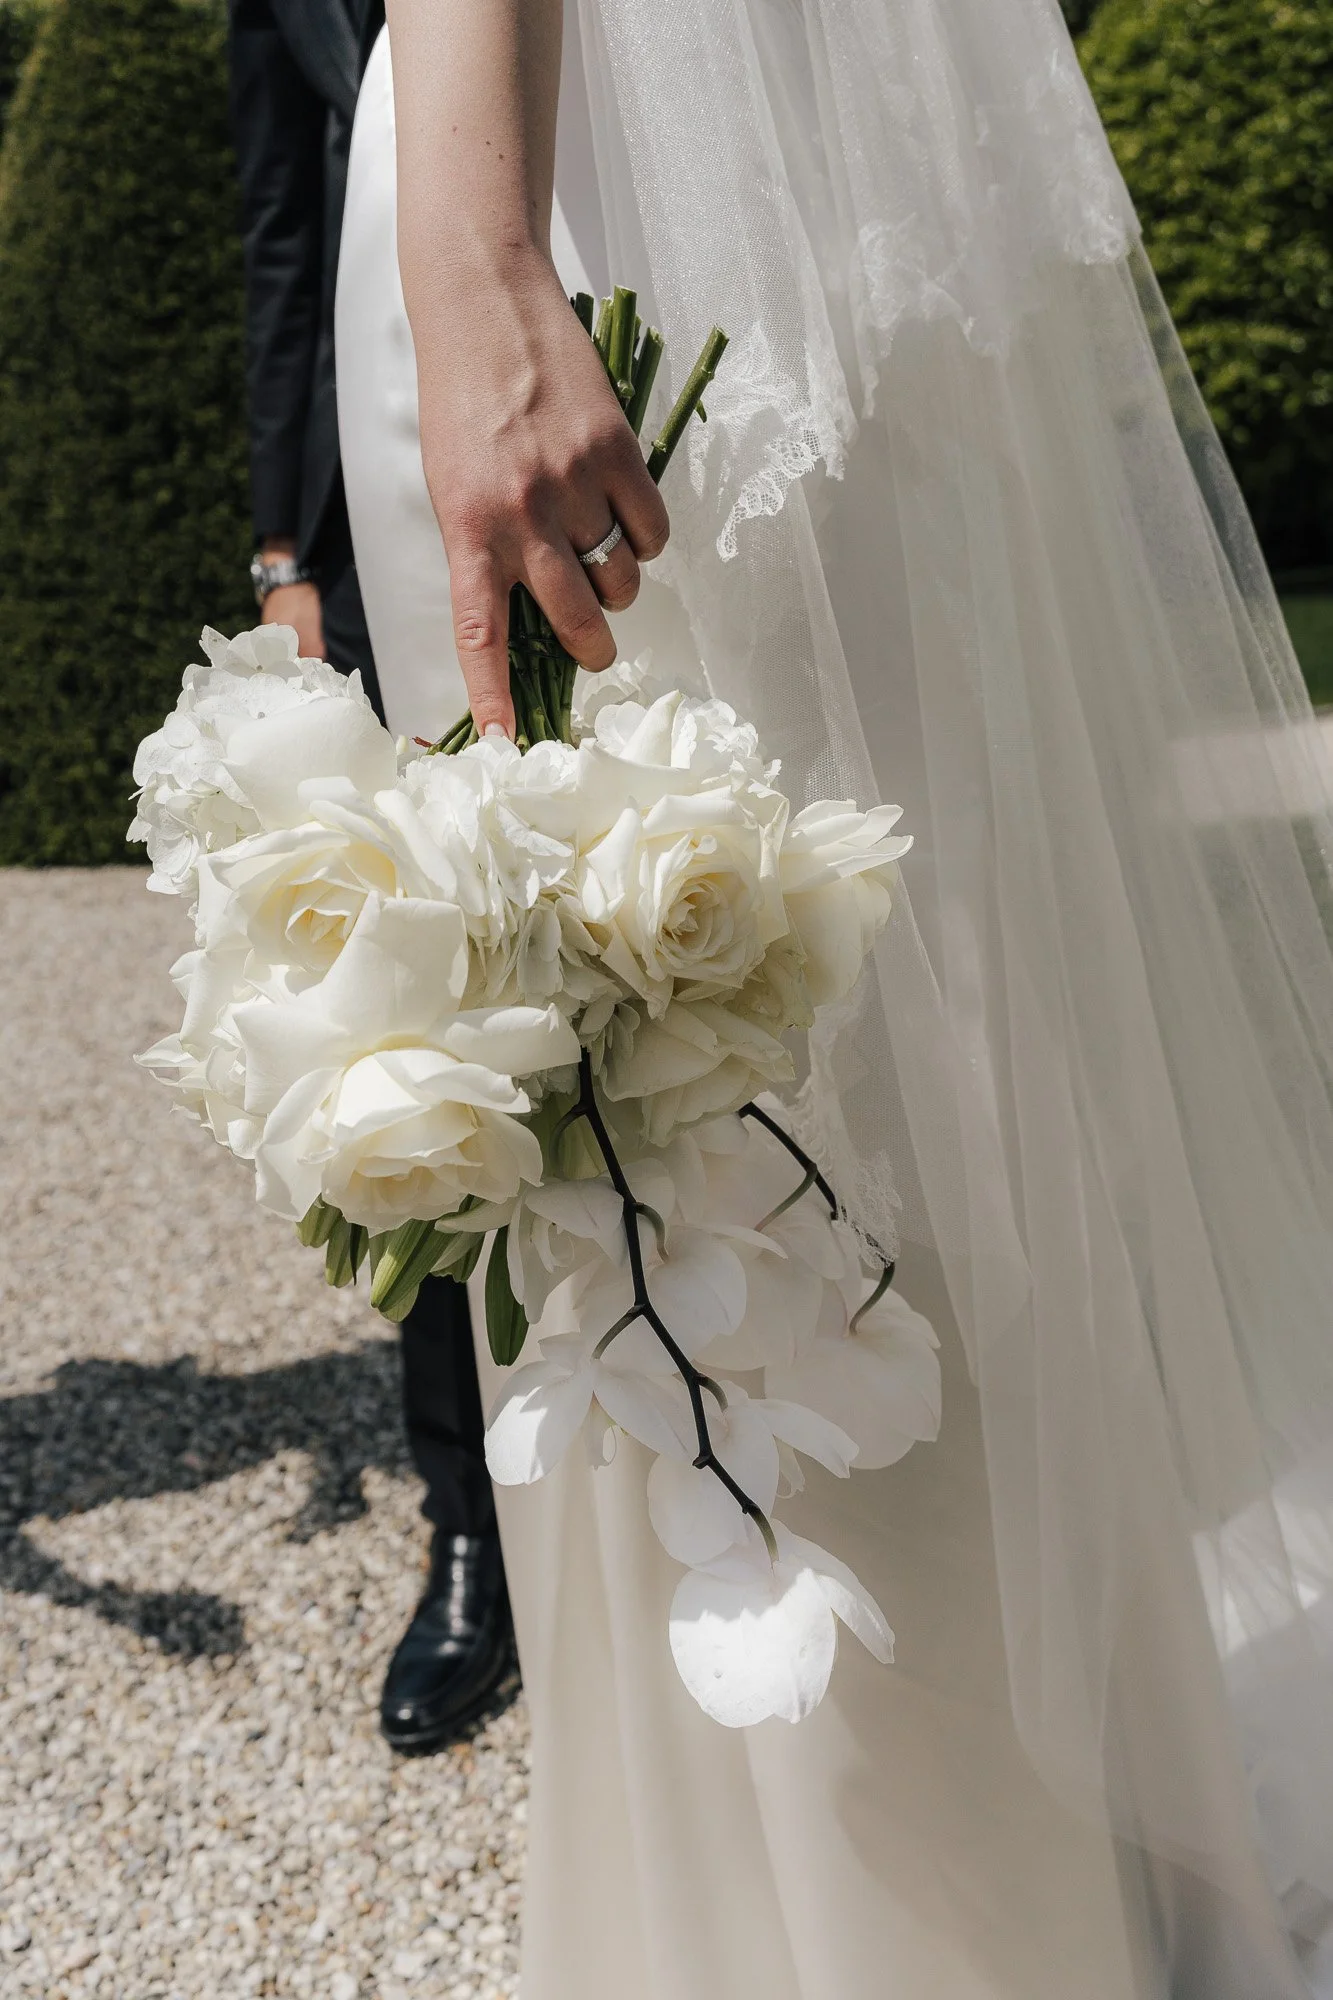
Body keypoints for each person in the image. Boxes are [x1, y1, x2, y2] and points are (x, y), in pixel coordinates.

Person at [336, 1, 1333, 1993]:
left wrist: (482, 262)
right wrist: (482, 261)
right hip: (679, 148)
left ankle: (984, 1915)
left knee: (901, 1087)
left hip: (723, 162)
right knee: (754, 1102)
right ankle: (951, 1913)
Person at [225, 0, 516, 1754]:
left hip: (591, 421)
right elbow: (279, 216)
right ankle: (470, 1528)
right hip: (360, 504)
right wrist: (281, 543)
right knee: (412, 1021)